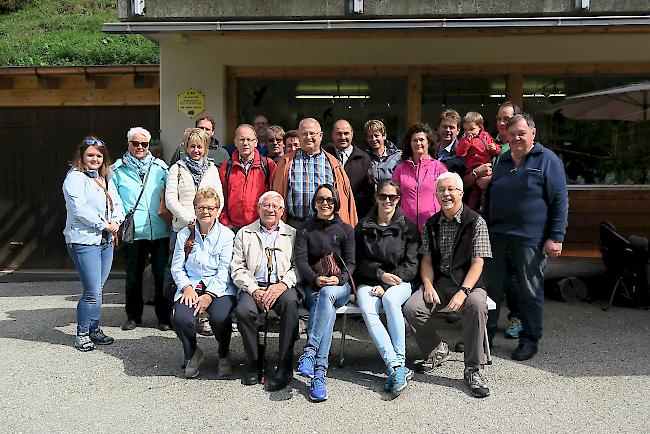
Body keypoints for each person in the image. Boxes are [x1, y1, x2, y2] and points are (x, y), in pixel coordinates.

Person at [484, 113, 569, 361]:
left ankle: (530, 339)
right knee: (491, 290)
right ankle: (484, 337)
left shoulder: (548, 160)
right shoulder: (502, 161)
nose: (517, 138)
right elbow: (490, 198)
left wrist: (556, 236)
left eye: (521, 133)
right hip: (498, 237)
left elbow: (560, 201)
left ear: (533, 133)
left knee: (528, 291)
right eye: (512, 135)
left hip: (531, 239)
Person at [403, 172, 492, 398]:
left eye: (451, 189)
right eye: (441, 190)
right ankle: (436, 350)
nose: (446, 194)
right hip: (440, 282)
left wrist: (463, 292)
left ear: (461, 193)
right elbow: (426, 261)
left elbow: (478, 263)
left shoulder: (476, 221)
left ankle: (473, 369)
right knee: (413, 308)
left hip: (469, 283)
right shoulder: (431, 224)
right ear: (436, 195)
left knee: (476, 306)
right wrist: (428, 285)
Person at [354, 180, 419, 397]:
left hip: (400, 281)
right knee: (367, 307)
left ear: (398, 199)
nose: (387, 201)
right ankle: (396, 367)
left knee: (391, 300)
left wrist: (386, 283)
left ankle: (399, 361)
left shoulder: (408, 228)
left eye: (392, 197)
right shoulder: (363, 226)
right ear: (376, 197)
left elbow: (412, 265)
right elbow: (357, 261)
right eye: (383, 196)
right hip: (370, 279)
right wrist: (379, 275)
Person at [232, 191, 299, 391]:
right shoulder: (244, 233)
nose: (270, 210)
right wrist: (254, 290)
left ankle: (285, 362)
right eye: (266, 205)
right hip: (254, 284)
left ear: (282, 211)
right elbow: (237, 267)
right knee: (244, 310)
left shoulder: (292, 234)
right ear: (259, 208)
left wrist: (282, 285)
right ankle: (254, 360)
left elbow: (298, 267)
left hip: (281, 285)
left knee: (290, 304)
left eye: (275, 207)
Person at [63, 137, 125, 351]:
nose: (95, 159)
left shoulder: (105, 177)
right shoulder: (74, 179)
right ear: (81, 156)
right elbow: (79, 210)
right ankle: (82, 332)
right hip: (84, 241)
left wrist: (116, 221)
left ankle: (94, 329)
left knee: (98, 289)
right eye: (90, 155)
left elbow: (117, 203)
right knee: (91, 291)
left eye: (99, 155)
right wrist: (104, 225)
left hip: (105, 241)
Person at [295, 185, 355, 402]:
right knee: (325, 307)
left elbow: (351, 264)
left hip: (340, 287)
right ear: (314, 202)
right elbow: (300, 261)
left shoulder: (346, 229)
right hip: (314, 287)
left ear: (336, 202)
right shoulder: (305, 229)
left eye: (330, 199)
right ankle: (319, 374)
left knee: (329, 293)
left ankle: (310, 351)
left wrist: (338, 279)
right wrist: (314, 278)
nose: (325, 203)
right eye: (321, 199)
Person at [170, 187, 236, 378]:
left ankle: (223, 353)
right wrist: (187, 287)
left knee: (220, 317)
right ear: (195, 209)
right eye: (201, 207)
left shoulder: (226, 236)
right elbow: (176, 267)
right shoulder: (184, 234)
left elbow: (225, 270)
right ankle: (193, 353)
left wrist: (209, 295)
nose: (205, 212)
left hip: (219, 288)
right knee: (181, 318)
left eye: (210, 208)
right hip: (191, 286)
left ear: (218, 210)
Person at [112, 127, 173, 331]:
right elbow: (112, 200)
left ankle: (164, 317)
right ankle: (133, 316)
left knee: (161, 275)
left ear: (149, 146)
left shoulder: (160, 168)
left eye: (144, 144)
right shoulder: (118, 170)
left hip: (159, 229)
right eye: (135, 143)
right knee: (133, 275)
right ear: (128, 144)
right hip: (134, 231)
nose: (139, 147)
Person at [166, 127, 225, 336]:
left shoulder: (211, 169)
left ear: (206, 148)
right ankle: (179, 314)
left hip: (207, 228)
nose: (196, 150)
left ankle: (203, 315)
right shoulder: (177, 169)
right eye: (192, 146)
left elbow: (219, 198)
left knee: (205, 270)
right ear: (186, 147)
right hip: (182, 228)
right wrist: (192, 219)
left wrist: (209, 220)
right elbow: (171, 199)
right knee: (180, 270)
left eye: (200, 146)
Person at [271, 117, 358, 229]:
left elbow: (345, 200)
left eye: (312, 133)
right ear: (299, 136)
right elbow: (275, 197)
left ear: (320, 136)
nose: (308, 137)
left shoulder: (334, 164)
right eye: (304, 134)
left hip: (326, 228)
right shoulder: (285, 163)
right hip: (294, 226)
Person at [219, 124, 276, 232]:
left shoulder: (267, 165)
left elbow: (275, 196)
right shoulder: (226, 167)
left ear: (256, 142)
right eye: (241, 140)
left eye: (249, 140)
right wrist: (225, 223)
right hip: (233, 228)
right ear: (235, 142)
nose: (245, 143)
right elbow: (220, 197)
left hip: (261, 227)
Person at [391, 123, 448, 231]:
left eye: (421, 140)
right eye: (414, 140)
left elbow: (448, 196)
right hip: (406, 227)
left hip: (433, 226)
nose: (418, 143)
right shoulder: (400, 169)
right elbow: (393, 197)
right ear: (410, 143)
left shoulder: (439, 168)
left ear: (428, 142)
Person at [326, 119, 373, 218]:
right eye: (339, 134)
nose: (343, 137)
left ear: (352, 134)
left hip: (355, 215)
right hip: (328, 214)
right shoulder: (324, 156)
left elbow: (368, 193)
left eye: (346, 133)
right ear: (332, 135)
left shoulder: (363, 159)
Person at [455, 112, 499, 211]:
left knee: (487, 190)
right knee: (474, 193)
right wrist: (467, 141)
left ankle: (485, 208)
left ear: (480, 127)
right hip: (473, 168)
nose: (468, 132)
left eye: (471, 129)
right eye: (465, 129)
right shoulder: (465, 139)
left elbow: (495, 150)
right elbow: (460, 153)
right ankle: (471, 211)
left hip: (486, 167)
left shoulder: (487, 136)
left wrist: (494, 148)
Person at [364, 119, 402, 188]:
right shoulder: (364, 157)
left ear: (384, 136)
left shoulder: (398, 157)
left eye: (376, 135)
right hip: (370, 197)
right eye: (370, 137)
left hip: (390, 197)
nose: (374, 139)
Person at [435, 109, 466, 176]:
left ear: (458, 130)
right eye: (444, 127)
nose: (448, 130)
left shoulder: (462, 153)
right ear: (438, 128)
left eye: (451, 127)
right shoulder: (430, 150)